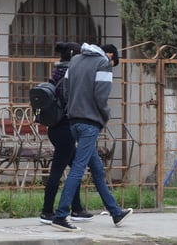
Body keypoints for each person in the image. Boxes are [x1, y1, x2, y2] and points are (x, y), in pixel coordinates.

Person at [51, 43, 132, 231]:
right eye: (113, 61)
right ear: (110, 55)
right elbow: (101, 96)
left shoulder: (75, 60)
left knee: (96, 169)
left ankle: (115, 212)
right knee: (78, 168)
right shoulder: (102, 63)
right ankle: (61, 215)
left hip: (73, 122)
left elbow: (67, 90)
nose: (111, 64)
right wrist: (104, 116)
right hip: (90, 123)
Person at [40, 42, 94, 225]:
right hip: (64, 128)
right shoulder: (69, 75)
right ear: (74, 56)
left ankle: (77, 209)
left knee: (75, 169)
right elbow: (70, 101)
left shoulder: (56, 74)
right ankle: (47, 212)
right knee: (57, 170)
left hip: (56, 128)